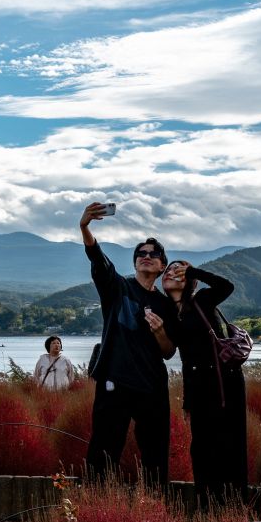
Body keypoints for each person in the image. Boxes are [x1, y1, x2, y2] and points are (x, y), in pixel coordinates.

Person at [79, 203, 177, 489]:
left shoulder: (166, 305)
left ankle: (154, 513)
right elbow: (98, 259)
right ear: (135, 263)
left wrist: (159, 331)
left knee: (155, 457)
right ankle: (95, 511)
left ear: (161, 266)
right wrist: (85, 227)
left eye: (153, 254)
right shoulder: (117, 287)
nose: (146, 257)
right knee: (103, 453)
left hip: (152, 387)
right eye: (141, 254)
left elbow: (169, 352)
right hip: (115, 382)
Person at [161, 260, 247, 509]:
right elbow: (186, 361)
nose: (171, 272)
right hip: (199, 390)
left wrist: (195, 271)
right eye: (168, 270)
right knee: (201, 451)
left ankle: (234, 512)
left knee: (229, 449)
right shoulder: (170, 313)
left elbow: (226, 286)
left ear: (188, 278)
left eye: (178, 269)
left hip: (225, 385)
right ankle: (207, 510)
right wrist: (187, 402)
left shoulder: (202, 300)